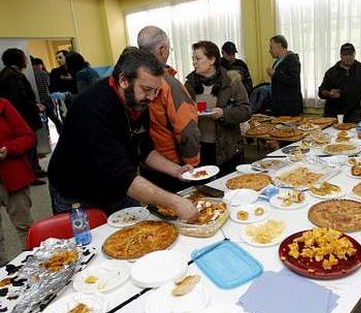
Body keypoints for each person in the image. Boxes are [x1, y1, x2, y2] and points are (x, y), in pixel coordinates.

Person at [48, 47, 198, 221]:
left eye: (156, 90)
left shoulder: (138, 101)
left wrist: (177, 170)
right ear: (124, 80)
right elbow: (120, 175)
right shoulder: (91, 107)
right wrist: (175, 202)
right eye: (147, 89)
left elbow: (144, 149)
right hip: (77, 193)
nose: (152, 97)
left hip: (116, 187)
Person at [137, 26, 201, 193]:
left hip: (146, 163)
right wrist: (192, 164)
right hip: (173, 166)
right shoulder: (168, 83)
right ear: (162, 50)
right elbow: (187, 128)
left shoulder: (133, 79)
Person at [184, 41, 250, 176]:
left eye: (198, 58)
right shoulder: (189, 85)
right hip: (200, 147)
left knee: (228, 185)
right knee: (204, 189)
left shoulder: (232, 81)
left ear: (212, 59)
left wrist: (223, 113)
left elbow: (245, 110)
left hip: (227, 147)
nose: (194, 62)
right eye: (193, 59)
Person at [0, 48, 46, 185]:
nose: (26, 60)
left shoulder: (4, 74)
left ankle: (34, 169)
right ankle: (33, 172)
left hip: (14, 116)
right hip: (23, 116)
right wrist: (35, 106)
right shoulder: (15, 76)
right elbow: (21, 98)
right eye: (24, 57)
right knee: (29, 143)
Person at [0, 98, 37, 265]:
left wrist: (8, 149)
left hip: (12, 174)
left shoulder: (3, 105)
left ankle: (33, 268)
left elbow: (28, 137)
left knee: (25, 228)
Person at [318, 43, 361, 123]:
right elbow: (321, 92)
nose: (348, 57)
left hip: (354, 113)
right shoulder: (331, 72)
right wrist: (329, 93)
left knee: (356, 134)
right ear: (340, 55)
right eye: (344, 54)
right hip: (332, 113)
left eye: (350, 54)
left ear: (354, 54)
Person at [267, 35, 303, 117]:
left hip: (289, 108)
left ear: (279, 46)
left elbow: (294, 80)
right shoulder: (277, 62)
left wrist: (275, 74)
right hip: (278, 107)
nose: (270, 50)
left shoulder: (292, 59)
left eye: (271, 47)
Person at [32, 57, 63, 134]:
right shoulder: (45, 73)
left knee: (44, 122)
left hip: (38, 101)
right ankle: (62, 133)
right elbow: (50, 86)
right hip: (48, 99)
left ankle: (47, 136)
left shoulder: (31, 75)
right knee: (55, 119)